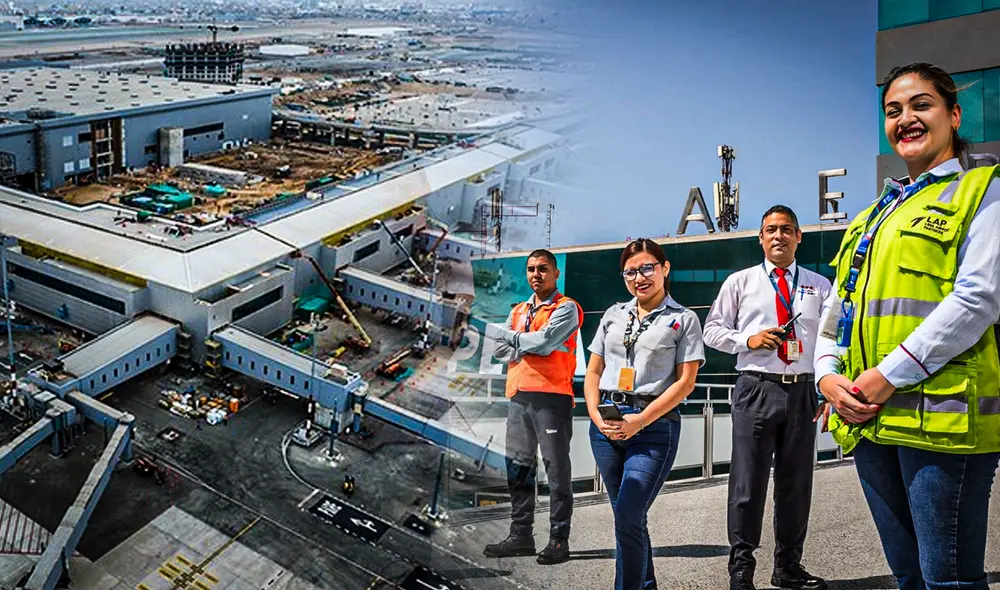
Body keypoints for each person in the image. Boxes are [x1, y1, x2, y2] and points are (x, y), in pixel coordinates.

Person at [815, 62, 1000, 590]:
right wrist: (826, 376)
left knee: (949, 580)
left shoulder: (982, 190)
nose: (905, 118)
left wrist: (887, 375)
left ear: (954, 114)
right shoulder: (874, 214)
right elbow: (838, 308)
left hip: (941, 420)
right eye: (893, 110)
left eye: (921, 105)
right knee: (908, 577)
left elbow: (978, 298)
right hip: (870, 420)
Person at [704, 205, 832, 590]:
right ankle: (741, 569)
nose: (778, 236)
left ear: (798, 237)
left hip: (802, 391)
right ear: (760, 238)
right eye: (770, 230)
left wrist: (826, 384)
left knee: (796, 485)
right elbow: (712, 331)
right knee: (747, 484)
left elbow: (829, 340)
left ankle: (788, 568)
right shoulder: (740, 282)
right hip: (756, 387)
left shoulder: (819, 285)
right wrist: (749, 339)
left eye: (786, 229)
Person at [585, 238, 704, 590]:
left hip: (652, 427)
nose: (640, 277)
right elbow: (593, 372)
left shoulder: (683, 319)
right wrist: (595, 415)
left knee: (627, 515)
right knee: (628, 519)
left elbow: (685, 384)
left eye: (647, 268)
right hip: (606, 423)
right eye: (631, 272)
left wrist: (639, 420)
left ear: (665, 269)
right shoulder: (613, 314)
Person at [483, 249, 583, 565]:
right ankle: (521, 536)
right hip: (518, 397)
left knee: (556, 470)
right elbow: (496, 347)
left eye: (542, 269)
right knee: (519, 468)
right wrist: (524, 341)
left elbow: (545, 342)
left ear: (556, 274)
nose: (535, 274)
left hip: (551, 398)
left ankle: (558, 539)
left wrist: (516, 341)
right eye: (530, 269)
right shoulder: (519, 310)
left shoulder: (566, 309)